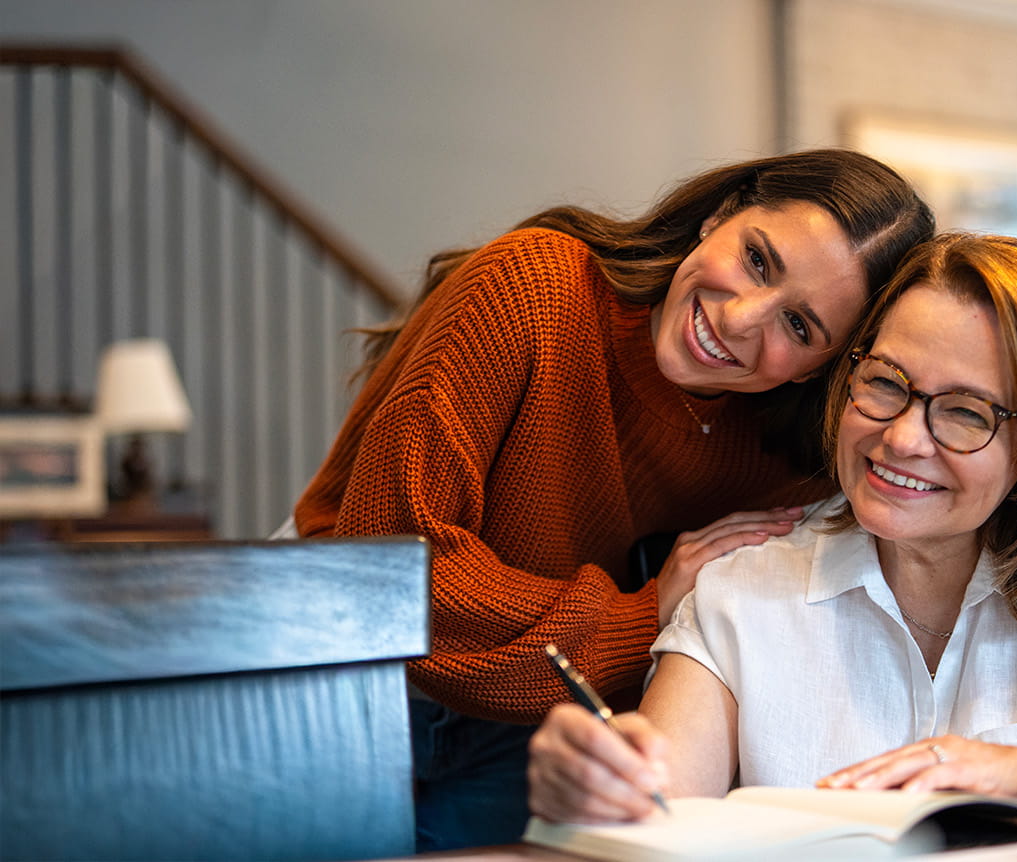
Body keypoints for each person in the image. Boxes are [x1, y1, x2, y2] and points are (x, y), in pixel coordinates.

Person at [527, 232, 1017, 825]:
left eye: (967, 412)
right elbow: (655, 808)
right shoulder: (743, 592)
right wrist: (595, 785)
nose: (903, 437)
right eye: (886, 383)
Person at [289, 149, 935, 848]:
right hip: (335, 675)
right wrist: (645, 610)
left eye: (800, 327)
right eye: (756, 260)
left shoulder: (790, 454)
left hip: (537, 725)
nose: (744, 320)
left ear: (828, 367)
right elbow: (387, 584)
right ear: (719, 215)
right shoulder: (534, 285)